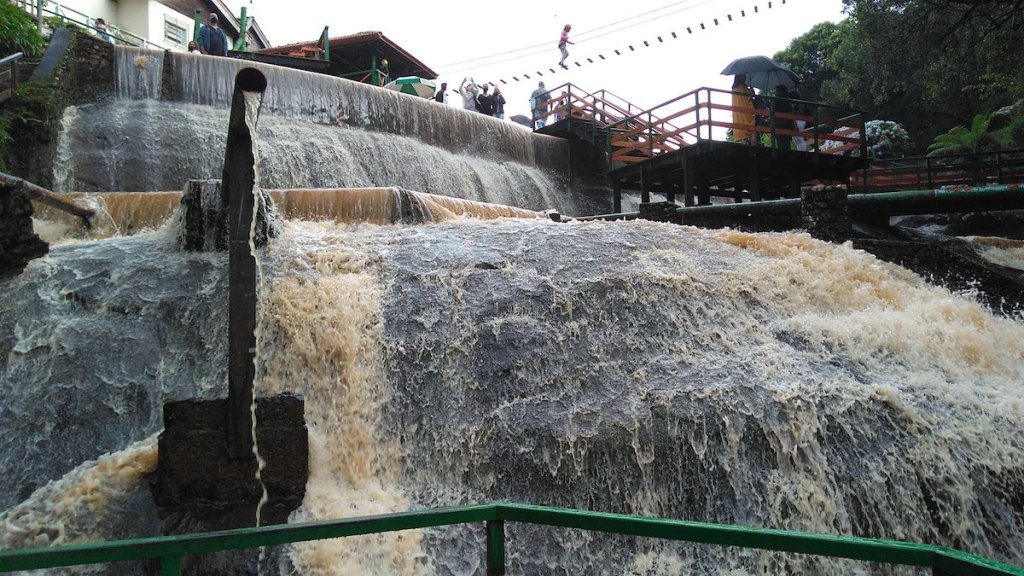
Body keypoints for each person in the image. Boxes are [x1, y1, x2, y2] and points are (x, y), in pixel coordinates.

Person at [731, 75, 756, 145]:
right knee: (752, 129)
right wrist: (751, 90)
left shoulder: (734, 88)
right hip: (746, 115)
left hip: (737, 117)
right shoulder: (743, 88)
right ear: (740, 77)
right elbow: (751, 96)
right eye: (743, 76)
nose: (745, 77)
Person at [771, 84, 794, 150]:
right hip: (787, 124)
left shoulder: (778, 100)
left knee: (781, 142)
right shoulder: (788, 100)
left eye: (776, 90)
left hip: (780, 124)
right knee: (786, 142)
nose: (775, 92)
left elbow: (773, 109)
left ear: (780, 91)